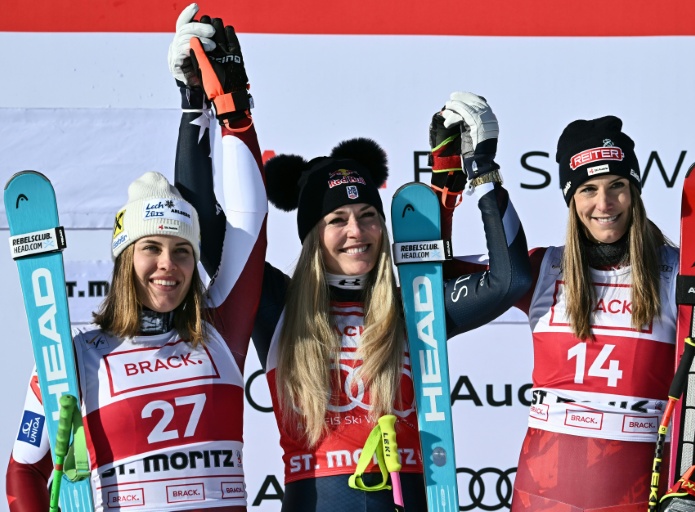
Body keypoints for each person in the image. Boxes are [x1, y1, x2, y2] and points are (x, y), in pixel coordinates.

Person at [168, 9, 532, 510]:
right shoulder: (275, 305)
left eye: (367, 216)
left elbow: (510, 281)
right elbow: (205, 230)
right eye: (337, 220)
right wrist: (198, 103)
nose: (356, 231)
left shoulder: (413, 307)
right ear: (312, 236)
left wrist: (481, 171)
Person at [444, 110, 695, 511]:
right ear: (571, 199)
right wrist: (456, 177)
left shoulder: (682, 274)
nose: (604, 204)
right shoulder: (542, 269)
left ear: (634, 190)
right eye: (588, 189)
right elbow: (432, 276)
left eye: (616, 185)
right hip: (539, 496)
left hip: (636, 495)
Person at [6, 87, 266, 512]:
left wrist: (226, 107)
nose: (168, 264)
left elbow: (250, 222)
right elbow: (23, 471)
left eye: (182, 251)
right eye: (151, 248)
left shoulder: (220, 331)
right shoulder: (74, 358)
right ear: (126, 259)